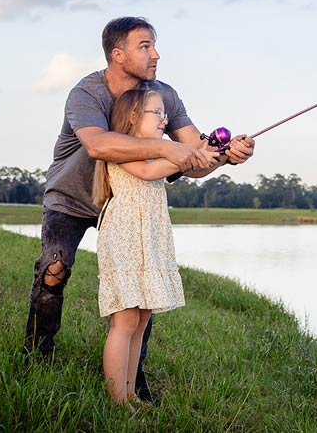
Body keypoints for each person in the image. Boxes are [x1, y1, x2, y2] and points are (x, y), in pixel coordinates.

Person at [23, 17, 255, 403]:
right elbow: (99, 146)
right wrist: (168, 149)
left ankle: (135, 379)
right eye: (145, 46)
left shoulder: (164, 96)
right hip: (73, 196)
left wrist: (227, 157)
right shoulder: (87, 93)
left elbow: (193, 154)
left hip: (132, 208)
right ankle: (38, 353)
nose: (156, 54)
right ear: (118, 54)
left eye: (155, 45)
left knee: (141, 295)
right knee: (54, 266)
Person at [91, 89, 210, 406]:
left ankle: (130, 394)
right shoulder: (123, 150)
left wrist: (214, 151)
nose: (164, 119)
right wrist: (187, 155)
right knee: (125, 321)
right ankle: (118, 403)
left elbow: (170, 161)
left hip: (150, 239)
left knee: (141, 320)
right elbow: (148, 171)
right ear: (133, 117)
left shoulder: (158, 153)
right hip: (125, 238)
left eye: (164, 113)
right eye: (156, 113)